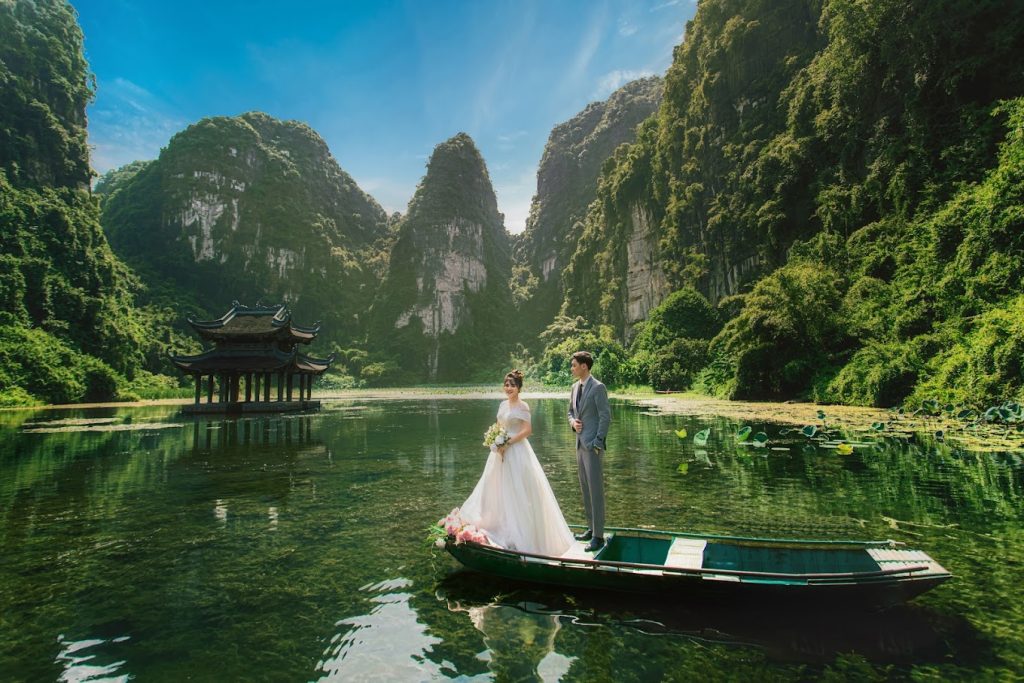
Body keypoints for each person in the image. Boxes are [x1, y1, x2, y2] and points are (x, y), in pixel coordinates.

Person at [458, 370, 574, 556]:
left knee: (518, 490)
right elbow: (498, 426)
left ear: (519, 388)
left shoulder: (523, 406)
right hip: (499, 452)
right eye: (506, 385)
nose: (508, 388)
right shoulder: (502, 405)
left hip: (517, 451)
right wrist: (495, 440)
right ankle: (498, 525)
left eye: (512, 385)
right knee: (495, 488)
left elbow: (527, 430)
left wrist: (507, 443)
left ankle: (521, 533)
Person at [567, 351, 611, 552]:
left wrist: (597, 443)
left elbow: (605, 417)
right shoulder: (575, 387)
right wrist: (572, 423)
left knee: (596, 492)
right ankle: (590, 528)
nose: (572, 368)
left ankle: (599, 536)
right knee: (585, 490)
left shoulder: (598, 387)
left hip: (592, 447)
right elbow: (570, 412)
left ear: (584, 366)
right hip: (579, 445)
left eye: (574, 365)